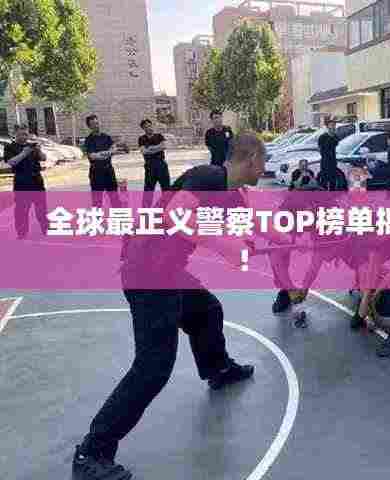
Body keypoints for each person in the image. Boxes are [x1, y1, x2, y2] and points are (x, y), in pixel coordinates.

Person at [72, 133, 275, 480]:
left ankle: (218, 369)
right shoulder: (208, 177)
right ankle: (92, 452)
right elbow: (175, 215)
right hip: (147, 272)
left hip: (167, 269)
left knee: (206, 311)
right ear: (252, 158)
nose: (264, 168)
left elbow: (253, 228)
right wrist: (226, 246)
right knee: (153, 367)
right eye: (264, 161)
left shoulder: (230, 192)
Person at [3, 124, 48, 239]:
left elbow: (44, 158)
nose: (24, 136)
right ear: (15, 134)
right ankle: (22, 233)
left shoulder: (31, 145)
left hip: (37, 180)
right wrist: (24, 153)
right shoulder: (10, 147)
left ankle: (46, 228)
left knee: (42, 207)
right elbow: (11, 162)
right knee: (22, 210)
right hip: (22, 181)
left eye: (26, 134)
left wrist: (38, 150)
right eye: (21, 134)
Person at [84, 115, 125, 208]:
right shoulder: (89, 140)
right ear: (89, 126)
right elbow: (93, 156)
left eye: (97, 123)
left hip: (109, 171)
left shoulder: (106, 137)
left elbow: (114, 149)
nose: (96, 125)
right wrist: (108, 153)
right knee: (97, 201)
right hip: (96, 173)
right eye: (93, 124)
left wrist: (102, 153)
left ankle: (118, 216)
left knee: (115, 198)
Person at [138, 118, 170, 207]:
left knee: (166, 188)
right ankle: (146, 210)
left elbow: (164, 146)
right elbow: (144, 151)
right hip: (149, 166)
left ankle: (166, 208)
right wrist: (157, 147)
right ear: (143, 129)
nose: (149, 128)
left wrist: (151, 148)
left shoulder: (159, 136)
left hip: (161, 165)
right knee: (148, 189)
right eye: (146, 127)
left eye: (150, 126)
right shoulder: (142, 139)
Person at [317, 118, 339, 191]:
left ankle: (332, 195)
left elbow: (336, 145)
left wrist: (333, 135)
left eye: (334, 125)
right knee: (324, 181)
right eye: (331, 125)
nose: (333, 126)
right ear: (327, 127)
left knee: (333, 181)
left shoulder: (335, 137)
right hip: (325, 162)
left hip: (333, 162)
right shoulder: (322, 137)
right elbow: (320, 149)